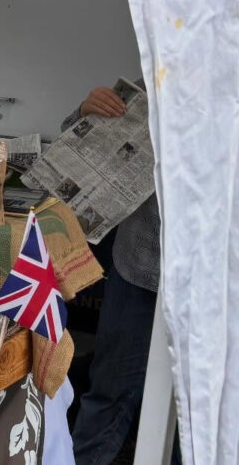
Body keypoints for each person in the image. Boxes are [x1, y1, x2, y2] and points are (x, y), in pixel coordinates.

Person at [66, 86, 179, 465]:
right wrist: (86, 112)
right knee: (108, 392)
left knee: (197, 413)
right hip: (139, 266)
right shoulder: (158, 79)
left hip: (210, 283)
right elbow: (71, 146)